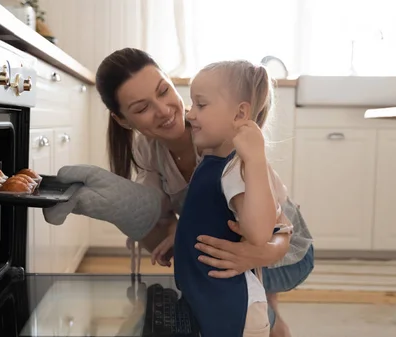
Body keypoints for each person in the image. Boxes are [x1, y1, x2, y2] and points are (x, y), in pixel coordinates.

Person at [95, 48, 314, 337]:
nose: (163, 110)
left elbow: (280, 232)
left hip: (284, 251)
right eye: (141, 108)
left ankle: (274, 320)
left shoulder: (224, 142)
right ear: (124, 120)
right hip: (236, 239)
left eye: (163, 91)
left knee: (263, 317)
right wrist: (182, 229)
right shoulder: (148, 151)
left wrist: (255, 256)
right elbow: (153, 213)